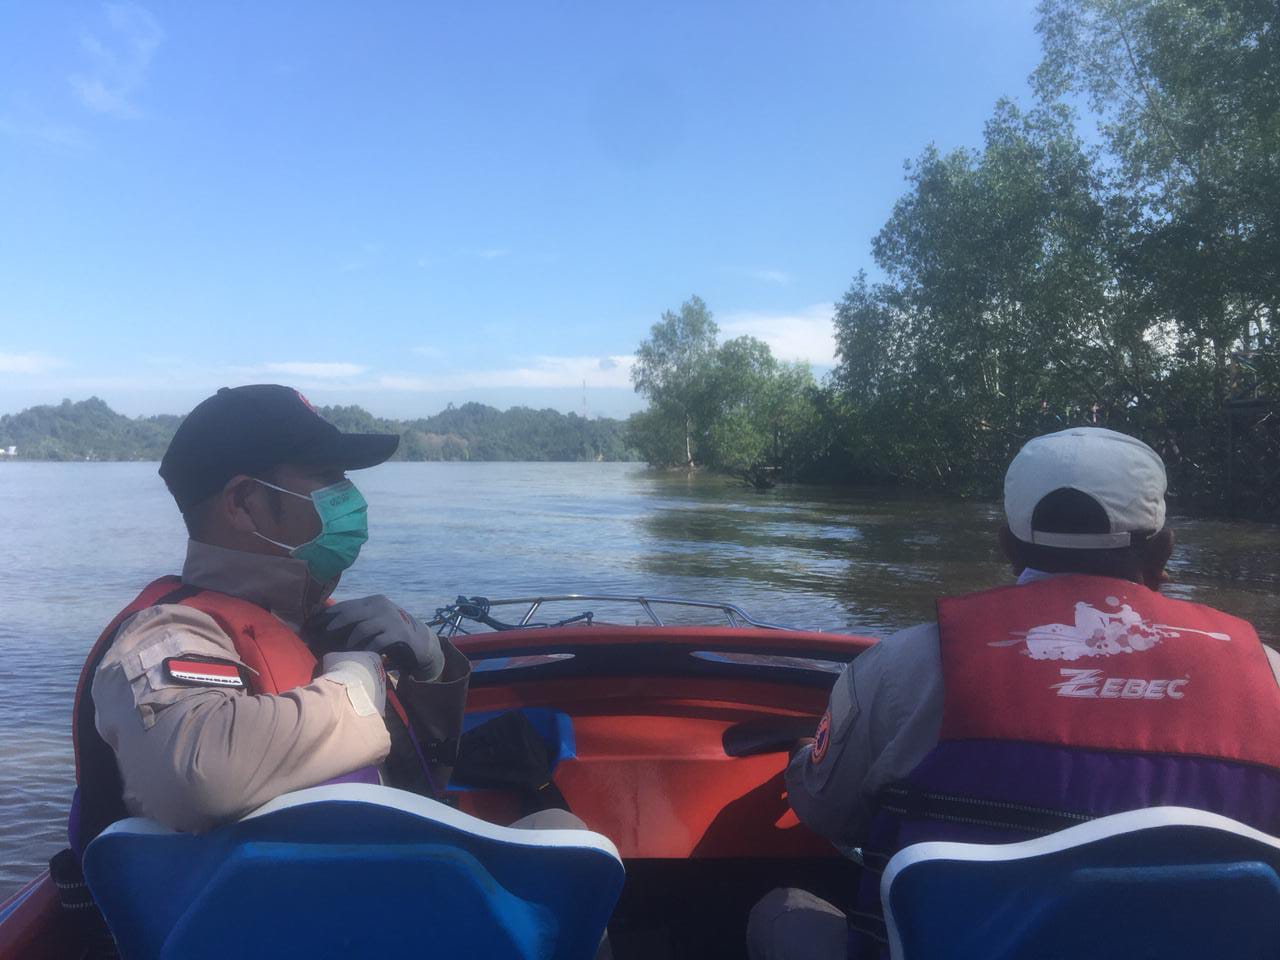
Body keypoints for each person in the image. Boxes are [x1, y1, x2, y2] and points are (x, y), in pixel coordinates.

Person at [748, 426, 1280, 960]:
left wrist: (804, 758)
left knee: (778, 909)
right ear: (1165, 550)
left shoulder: (901, 669)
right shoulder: (1270, 676)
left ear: (1005, 543)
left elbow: (825, 811)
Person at [69, 385, 472, 851]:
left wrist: (431, 665)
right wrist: (358, 688)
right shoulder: (166, 635)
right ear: (243, 503)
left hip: (378, 878)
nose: (352, 498)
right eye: (327, 477)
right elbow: (199, 776)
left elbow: (421, 771)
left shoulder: (312, 620)